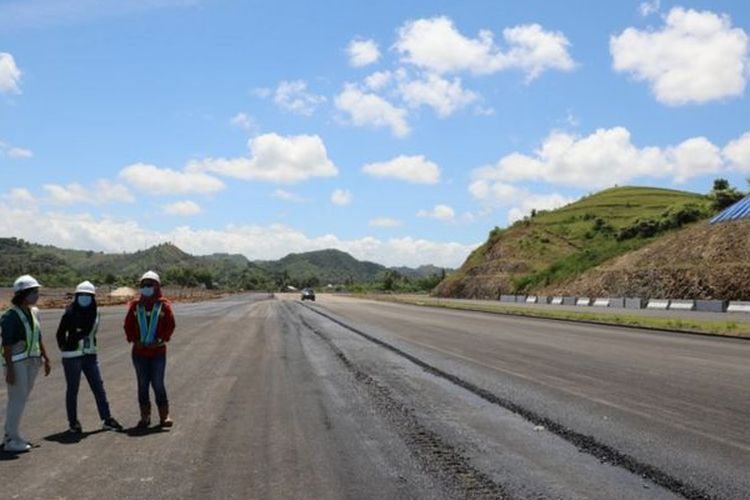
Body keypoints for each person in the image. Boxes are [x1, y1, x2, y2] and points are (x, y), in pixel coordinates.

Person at [56, 280, 123, 433]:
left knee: (98, 388)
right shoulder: (69, 312)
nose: (85, 298)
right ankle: (73, 423)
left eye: (88, 295)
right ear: (77, 296)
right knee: (73, 390)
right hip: (72, 356)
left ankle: (107, 419)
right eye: (82, 295)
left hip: (90, 355)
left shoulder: (96, 312)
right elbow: (60, 333)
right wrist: (65, 346)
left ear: (93, 298)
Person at [2, 275, 51, 452]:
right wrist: (10, 370)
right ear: (23, 294)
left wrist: (46, 358)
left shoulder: (34, 312)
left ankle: (11, 434)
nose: (37, 295)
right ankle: (11, 440)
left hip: (32, 361)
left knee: (20, 400)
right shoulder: (10, 316)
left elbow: (38, 336)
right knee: (17, 400)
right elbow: (6, 344)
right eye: (34, 292)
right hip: (17, 363)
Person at [123, 271, 175, 429]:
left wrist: (160, 340)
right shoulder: (135, 306)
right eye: (144, 285)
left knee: (158, 383)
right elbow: (128, 326)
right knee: (142, 384)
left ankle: (164, 415)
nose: (146, 288)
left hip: (157, 352)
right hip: (139, 353)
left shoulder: (163, 305)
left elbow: (170, 325)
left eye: (150, 285)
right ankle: (145, 417)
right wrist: (134, 340)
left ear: (157, 286)